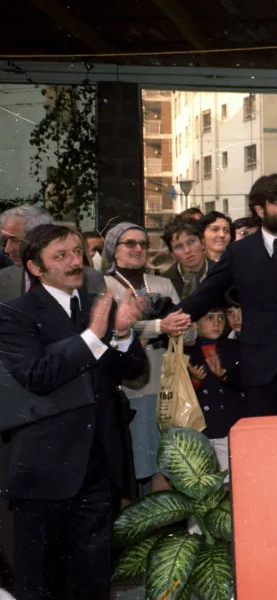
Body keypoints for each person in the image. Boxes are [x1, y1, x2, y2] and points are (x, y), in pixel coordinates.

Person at [0, 224, 145, 600]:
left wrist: (125, 334)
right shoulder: (15, 315)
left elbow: (131, 371)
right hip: (45, 472)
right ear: (35, 268)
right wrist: (93, 337)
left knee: (93, 580)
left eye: (77, 253)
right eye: (60, 256)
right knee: (41, 582)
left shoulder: (95, 304)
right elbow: (38, 375)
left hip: (97, 466)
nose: (73, 262)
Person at [180, 174, 277, 416]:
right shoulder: (239, 251)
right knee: (264, 443)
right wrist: (172, 319)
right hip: (258, 369)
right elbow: (206, 293)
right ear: (260, 209)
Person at [101, 222, 191, 493]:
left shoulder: (162, 283)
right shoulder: (102, 285)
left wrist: (173, 329)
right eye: (130, 243)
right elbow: (109, 333)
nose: (138, 248)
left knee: (165, 470)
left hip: (166, 386)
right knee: (135, 472)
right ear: (113, 249)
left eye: (143, 243)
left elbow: (187, 332)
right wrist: (157, 327)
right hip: (130, 390)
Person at [184, 308, 244, 472]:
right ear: (195, 324)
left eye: (221, 318)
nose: (217, 323)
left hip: (229, 425)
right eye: (209, 318)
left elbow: (246, 382)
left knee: (230, 477)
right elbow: (181, 395)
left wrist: (224, 375)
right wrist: (195, 381)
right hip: (202, 428)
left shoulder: (235, 348)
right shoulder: (186, 352)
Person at [0, 207, 103, 302]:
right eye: (5, 240)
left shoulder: (89, 279)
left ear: (41, 237)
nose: (7, 249)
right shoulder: (3, 278)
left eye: (15, 240)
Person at [161, 219, 215, 299]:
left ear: (203, 243)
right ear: (172, 254)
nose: (187, 250)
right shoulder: (163, 282)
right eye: (178, 246)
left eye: (191, 241)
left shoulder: (223, 272)